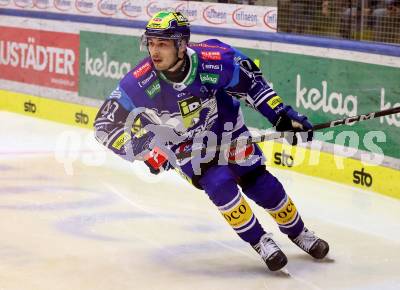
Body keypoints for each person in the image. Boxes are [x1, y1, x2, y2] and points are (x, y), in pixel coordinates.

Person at [94, 11, 329, 272]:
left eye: (162, 44)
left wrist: (282, 115)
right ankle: (260, 241)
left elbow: (252, 84)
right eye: (150, 43)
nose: (154, 51)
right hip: (184, 147)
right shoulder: (140, 81)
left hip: (227, 131)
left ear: (182, 45)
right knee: (219, 185)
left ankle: (300, 233)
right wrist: (147, 151)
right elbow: (104, 126)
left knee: (263, 185)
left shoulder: (214, 60)